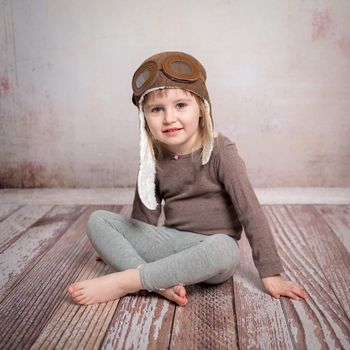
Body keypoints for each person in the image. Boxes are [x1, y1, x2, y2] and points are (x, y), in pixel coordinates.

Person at [67, 51, 308, 306]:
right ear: (144, 118)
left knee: (227, 250)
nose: (169, 118)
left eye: (180, 105)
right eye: (157, 109)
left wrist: (270, 271)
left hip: (210, 252)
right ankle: (157, 283)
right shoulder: (153, 157)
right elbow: (143, 218)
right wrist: (126, 245)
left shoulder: (221, 153)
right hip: (172, 244)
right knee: (98, 220)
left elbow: (250, 211)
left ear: (202, 109)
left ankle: (128, 281)